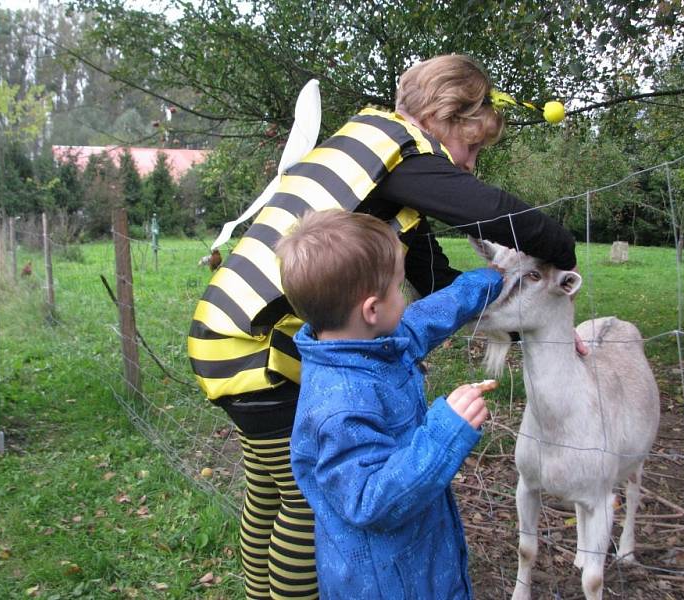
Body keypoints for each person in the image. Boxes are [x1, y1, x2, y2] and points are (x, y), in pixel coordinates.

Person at [187, 54, 577, 600]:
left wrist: (515, 314)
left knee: (270, 492)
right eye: (473, 147)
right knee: (305, 507)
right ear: (445, 118)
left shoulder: (372, 163)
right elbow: (497, 214)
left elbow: (432, 274)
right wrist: (561, 250)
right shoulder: (403, 152)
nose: (469, 166)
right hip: (259, 354)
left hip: (222, 333)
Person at [275, 209, 502, 599]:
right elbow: (370, 500)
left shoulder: (371, 344)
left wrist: (491, 281)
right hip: (386, 584)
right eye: (399, 288)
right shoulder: (339, 406)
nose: (405, 296)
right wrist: (445, 432)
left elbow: (428, 316)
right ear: (372, 310)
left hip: (419, 563)